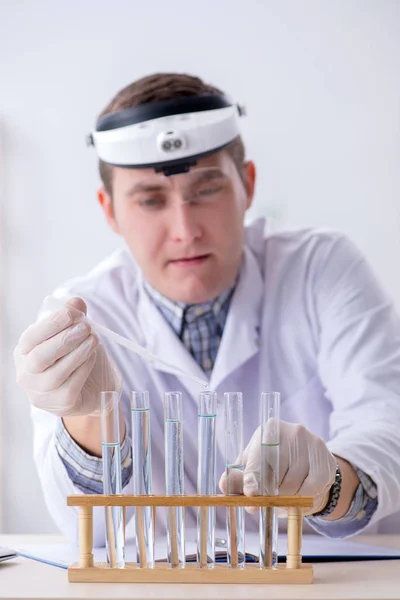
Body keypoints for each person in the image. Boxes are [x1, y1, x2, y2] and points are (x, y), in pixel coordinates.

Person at [14, 73, 400, 546]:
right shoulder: (80, 318)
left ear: (248, 185)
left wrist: (329, 483)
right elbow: (89, 533)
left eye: (207, 189)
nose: (185, 229)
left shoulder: (322, 269)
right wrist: (87, 418)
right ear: (109, 210)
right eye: (150, 199)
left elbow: (386, 424)